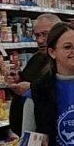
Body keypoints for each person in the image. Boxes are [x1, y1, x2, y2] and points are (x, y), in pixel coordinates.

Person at [9, 8, 63, 137]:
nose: (40, 40)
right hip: (28, 132)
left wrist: (31, 89)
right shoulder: (37, 58)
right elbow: (27, 80)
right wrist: (17, 80)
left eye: (45, 34)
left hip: (50, 132)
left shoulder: (65, 61)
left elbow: (61, 92)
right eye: (37, 35)